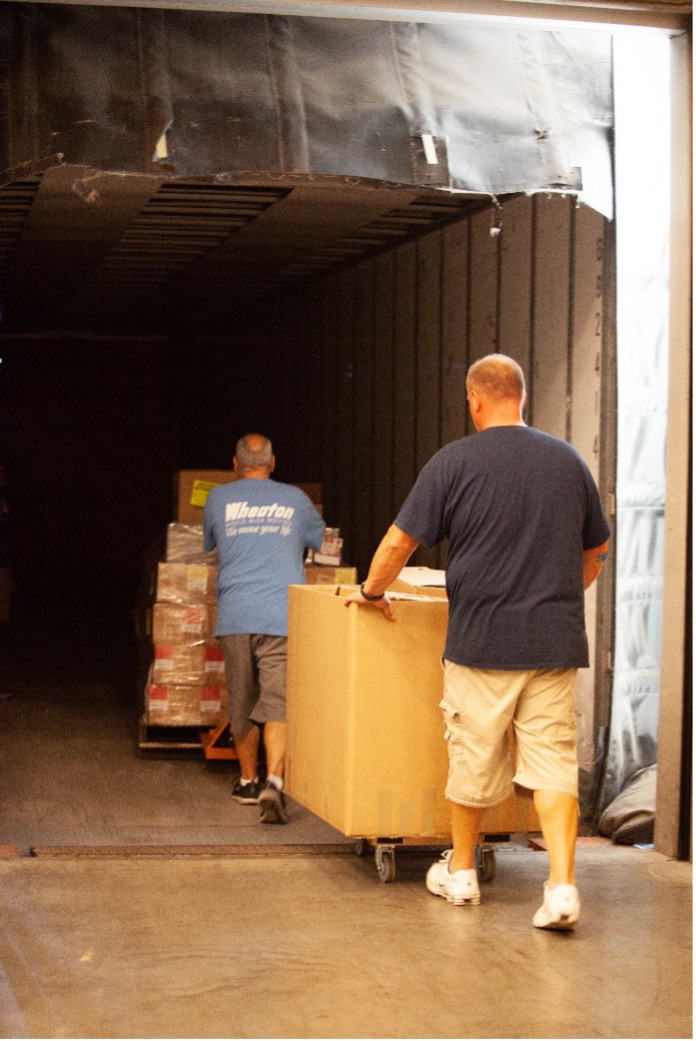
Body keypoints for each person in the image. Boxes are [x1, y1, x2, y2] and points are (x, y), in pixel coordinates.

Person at [345, 354, 610, 930]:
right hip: (553, 644)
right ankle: (561, 887)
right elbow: (596, 552)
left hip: (481, 641)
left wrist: (371, 590)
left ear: (474, 399)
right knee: (553, 766)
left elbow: (399, 544)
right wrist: (562, 591)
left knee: (472, 756)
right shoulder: (567, 462)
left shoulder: (453, 462)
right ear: (523, 396)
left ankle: (461, 872)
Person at [204, 434, 325, 823]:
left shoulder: (218, 500)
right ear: (274, 463)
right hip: (281, 613)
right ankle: (275, 779)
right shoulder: (296, 500)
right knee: (278, 700)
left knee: (242, 698)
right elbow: (321, 542)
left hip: (237, 613)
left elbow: (210, 544)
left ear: (234, 464)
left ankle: (247, 780)